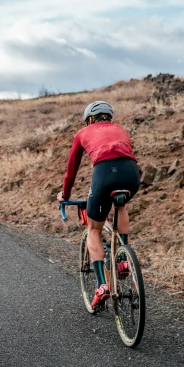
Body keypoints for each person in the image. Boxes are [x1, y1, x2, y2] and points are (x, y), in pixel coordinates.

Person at [58, 101, 140, 310]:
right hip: (131, 174)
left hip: (104, 174)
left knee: (94, 228)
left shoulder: (82, 133)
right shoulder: (121, 130)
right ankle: (122, 256)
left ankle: (102, 285)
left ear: (90, 119)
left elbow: (71, 171)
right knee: (120, 206)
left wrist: (65, 195)